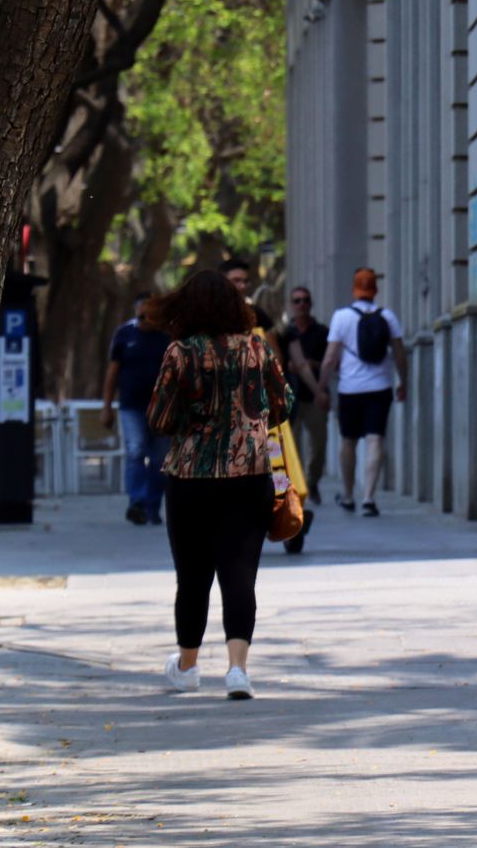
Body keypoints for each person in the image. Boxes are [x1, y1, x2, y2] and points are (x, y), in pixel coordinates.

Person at [145, 269, 292, 700]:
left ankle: (188, 667)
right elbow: (284, 403)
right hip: (249, 476)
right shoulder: (257, 349)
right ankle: (237, 670)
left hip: (191, 478)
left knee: (192, 577)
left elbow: (158, 418)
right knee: (240, 574)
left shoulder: (180, 354)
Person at [219, 258, 314, 554]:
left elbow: (277, 358)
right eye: (235, 280)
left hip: (263, 409)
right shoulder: (211, 319)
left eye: (244, 280)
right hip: (227, 412)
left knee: (277, 463)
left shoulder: (258, 316)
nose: (242, 285)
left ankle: (289, 512)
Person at [317, 267, 407, 517]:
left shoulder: (341, 317)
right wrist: (403, 382)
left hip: (350, 389)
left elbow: (330, 357)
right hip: (380, 387)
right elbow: (400, 354)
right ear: (375, 289)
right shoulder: (388, 316)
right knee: (375, 439)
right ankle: (368, 497)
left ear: (354, 289)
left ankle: (348, 495)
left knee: (348, 440)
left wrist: (322, 387)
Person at [101, 293, 172, 526]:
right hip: (131, 406)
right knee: (135, 449)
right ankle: (137, 502)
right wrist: (107, 406)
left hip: (162, 409)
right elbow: (112, 373)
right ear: (138, 312)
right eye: (144, 312)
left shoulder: (167, 337)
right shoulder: (124, 334)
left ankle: (153, 505)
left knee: (160, 459)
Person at [282, 285, 331, 505]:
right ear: (291, 305)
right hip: (289, 397)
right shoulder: (284, 333)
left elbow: (333, 363)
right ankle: (298, 483)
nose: (301, 304)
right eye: (297, 300)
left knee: (319, 444)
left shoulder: (322, 332)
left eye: (305, 300)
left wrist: (313, 364)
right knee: (292, 445)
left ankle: (313, 480)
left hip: (315, 396)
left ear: (311, 304)